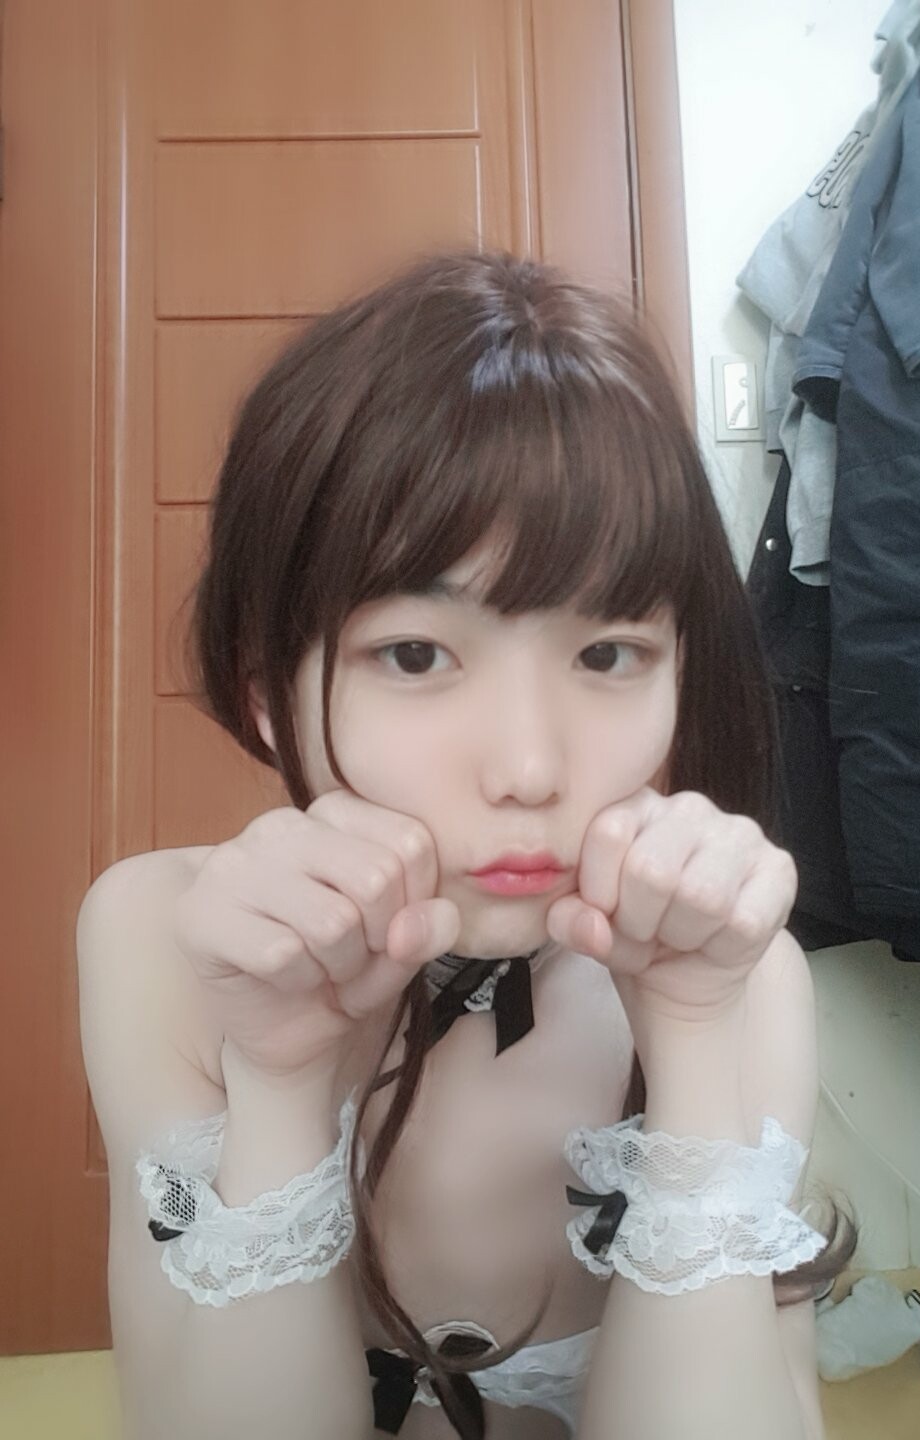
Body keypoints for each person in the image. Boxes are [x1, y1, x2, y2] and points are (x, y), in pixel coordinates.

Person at [76, 248, 857, 1440]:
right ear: (266, 689)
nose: (530, 769)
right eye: (416, 654)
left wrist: (694, 1049)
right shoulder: (162, 939)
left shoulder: (740, 973)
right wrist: (278, 1085)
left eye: (608, 654)